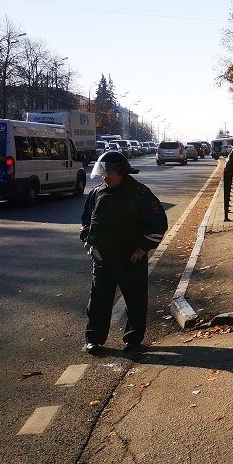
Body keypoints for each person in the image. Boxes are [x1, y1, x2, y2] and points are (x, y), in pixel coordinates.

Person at [80, 150, 168, 354]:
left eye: (107, 172)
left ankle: (133, 340)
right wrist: (88, 242)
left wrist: (143, 248)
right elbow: (86, 220)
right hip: (102, 257)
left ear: (120, 172)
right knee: (98, 301)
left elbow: (157, 224)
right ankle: (94, 339)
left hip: (130, 257)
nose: (104, 176)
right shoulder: (96, 192)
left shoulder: (140, 193)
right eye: (102, 172)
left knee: (135, 300)